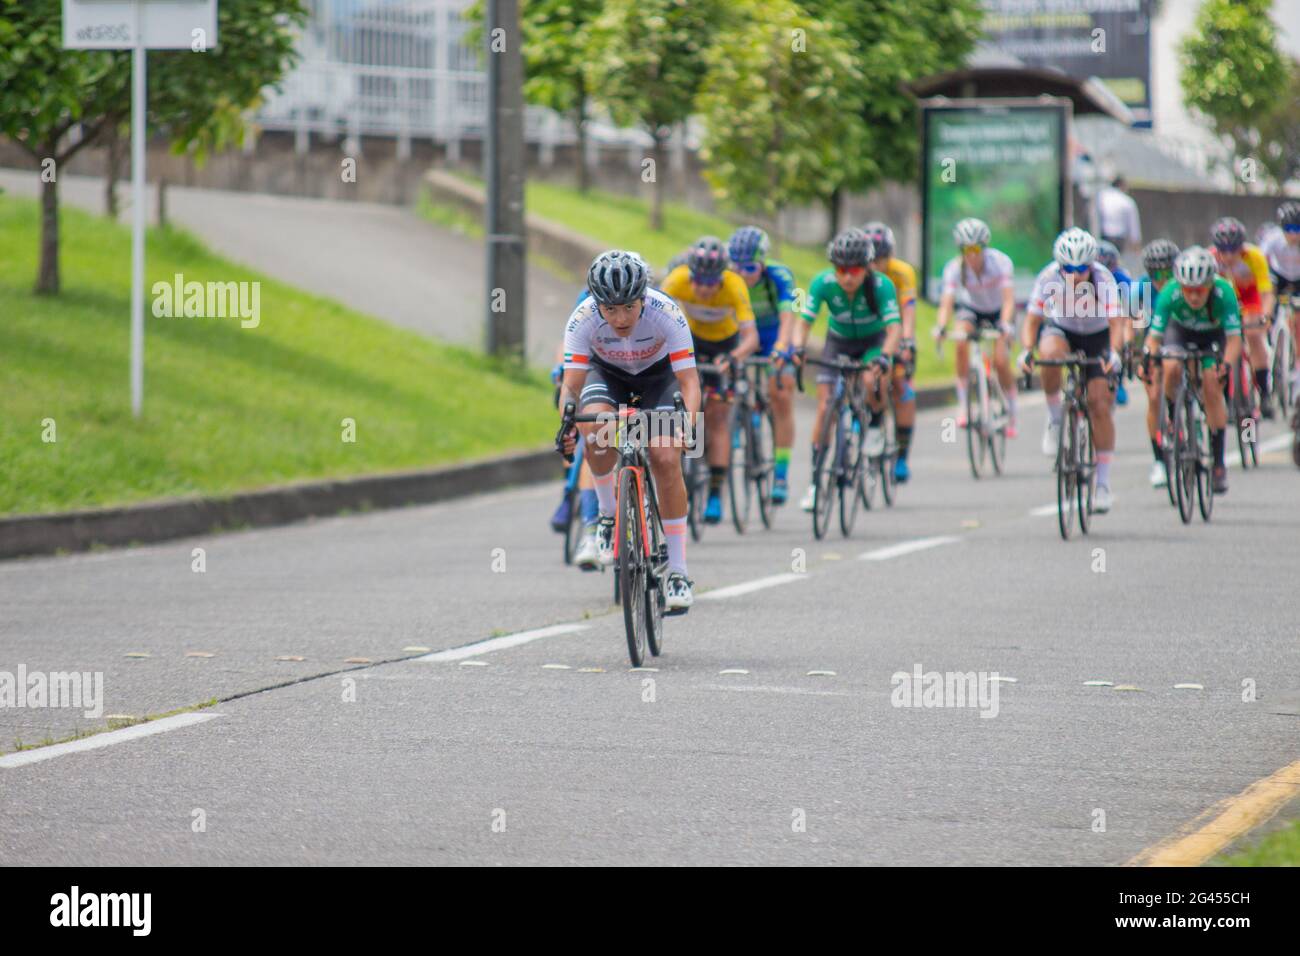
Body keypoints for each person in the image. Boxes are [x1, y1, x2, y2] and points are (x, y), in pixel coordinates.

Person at [558, 251, 701, 610]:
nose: (620, 318)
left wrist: (688, 425)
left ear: (643, 299)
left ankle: (679, 571)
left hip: (658, 378)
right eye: (610, 309)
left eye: (628, 308)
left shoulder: (666, 312)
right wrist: (567, 427)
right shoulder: (582, 318)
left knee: (666, 457)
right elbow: (571, 388)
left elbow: (689, 381)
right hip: (605, 376)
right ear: (597, 304)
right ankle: (607, 516)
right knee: (595, 431)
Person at [793, 228, 901, 511]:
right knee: (824, 406)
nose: (847, 276)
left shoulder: (882, 286)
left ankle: (876, 421)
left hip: (873, 341)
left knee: (870, 379)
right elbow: (804, 323)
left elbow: (893, 329)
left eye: (854, 269)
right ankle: (816, 484)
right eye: (841, 269)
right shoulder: (822, 283)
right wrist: (797, 349)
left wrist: (885, 357)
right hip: (838, 341)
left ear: (866, 268)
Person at [1020, 228, 1125, 513]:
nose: (1076, 274)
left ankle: (1102, 484)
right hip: (1062, 329)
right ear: (1059, 265)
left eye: (1082, 268)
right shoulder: (1048, 277)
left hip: (1097, 336)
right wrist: (1027, 350)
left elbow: (1117, 323)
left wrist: (1114, 353)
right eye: (1069, 268)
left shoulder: (1103, 278)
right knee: (1050, 354)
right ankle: (1055, 418)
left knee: (1099, 404)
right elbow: (1032, 320)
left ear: (1090, 265)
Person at [661, 237, 759, 524]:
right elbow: (653, 316)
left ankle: (715, 492)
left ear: (721, 278)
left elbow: (751, 338)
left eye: (710, 281)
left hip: (724, 346)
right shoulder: (677, 279)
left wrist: (734, 358)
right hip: (691, 341)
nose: (703, 288)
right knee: (684, 400)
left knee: (716, 416)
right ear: (689, 274)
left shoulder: (734, 286)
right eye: (698, 280)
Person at [1143, 247, 1242, 494]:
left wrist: (1226, 366)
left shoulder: (1224, 293)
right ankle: (1173, 414)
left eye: (1200, 290)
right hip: (1180, 332)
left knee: (1211, 385)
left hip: (1212, 336)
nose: (1195, 296)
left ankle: (1218, 463)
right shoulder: (1169, 293)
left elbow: (1234, 341)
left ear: (1210, 285)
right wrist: (1148, 360)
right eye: (1189, 290)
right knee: (1171, 365)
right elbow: (1154, 339)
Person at [727, 226, 798, 504]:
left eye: (751, 267)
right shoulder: (727, 277)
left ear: (763, 262)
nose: (744, 274)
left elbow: (788, 316)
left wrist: (782, 348)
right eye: (738, 267)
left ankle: (780, 475)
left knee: (781, 394)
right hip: (742, 334)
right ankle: (739, 418)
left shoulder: (779, 276)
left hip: (772, 337)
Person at [934, 218, 1020, 437]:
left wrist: (1004, 325)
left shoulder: (1000, 263)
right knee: (961, 340)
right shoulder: (954, 268)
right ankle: (963, 403)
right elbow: (946, 303)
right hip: (972, 309)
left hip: (999, 310)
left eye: (976, 249)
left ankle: (1012, 409)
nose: (971, 255)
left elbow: (1009, 301)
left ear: (984, 247)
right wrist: (942, 327)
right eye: (966, 249)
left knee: (1000, 360)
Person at [862, 222, 919, 481]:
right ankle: (869, 421)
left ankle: (902, 456)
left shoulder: (903, 272)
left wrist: (906, 340)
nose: (876, 266)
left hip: (895, 330)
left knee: (900, 385)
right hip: (868, 331)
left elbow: (908, 309)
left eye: (881, 259)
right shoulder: (859, 273)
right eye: (872, 260)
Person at [1210, 216, 1275, 417]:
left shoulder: (1255, 256)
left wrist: (1265, 316)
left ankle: (1264, 392)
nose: (1228, 256)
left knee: (1254, 335)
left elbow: (1266, 292)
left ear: (1242, 246)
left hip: (1249, 300)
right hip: (1224, 302)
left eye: (1234, 250)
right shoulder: (1210, 259)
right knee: (1220, 344)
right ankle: (1226, 397)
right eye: (1224, 250)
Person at [1129, 239, 1180, 487]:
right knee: (1153, 396)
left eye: (1167, 272)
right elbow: (1130, 324)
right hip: (1154, 343)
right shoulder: (1141, 289)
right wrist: (1132, 350)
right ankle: (1159, 459)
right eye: (1156, 274)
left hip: (1182, 340)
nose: (1162, 278)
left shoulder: (1184, 286)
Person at [1262, 200, 1300, 392]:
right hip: (1278, 275)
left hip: (1298, 278)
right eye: (1289, 229)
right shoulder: (1273, 238)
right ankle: (1269, 344)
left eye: (1298, 228)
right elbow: (1261, 261)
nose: (1293, 234)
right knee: (1268, 307)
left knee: (1298, 318)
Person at [1097, 240, 1133, 406]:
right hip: (1096, 316)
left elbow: (1129, 311)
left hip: (1119, 314)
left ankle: (1119, 379)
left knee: (1123, 338)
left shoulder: (1122, 278)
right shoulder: (1093, 277)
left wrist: (1128, 337)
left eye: (1110, 267)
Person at [1094, 175, 1142, 257]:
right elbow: (1133, 225)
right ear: (1122, 185)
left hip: (1104, 236)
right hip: (1119, 239)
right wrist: (1136, 244)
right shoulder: (1127, 201)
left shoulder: (1102, 196)